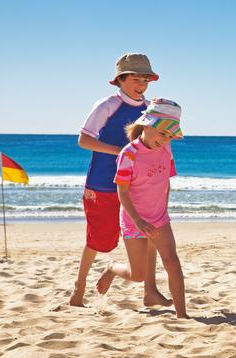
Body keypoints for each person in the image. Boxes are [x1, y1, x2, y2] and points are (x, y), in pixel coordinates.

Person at [70, 53, 171, 308]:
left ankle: (150, 292)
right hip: (102, 183)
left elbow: (156, 140)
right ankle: (78, 291)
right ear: (121, 80)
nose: (141, 84)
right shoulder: (107, 105)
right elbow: (84, 140)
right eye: (136, 79)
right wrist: (122, 152)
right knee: (98, 241)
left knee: (146, 235)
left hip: (136, 186)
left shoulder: (149, 109)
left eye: (145, 79)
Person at [96, 98, 188, 319]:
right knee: (138, 274)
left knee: (172, 261)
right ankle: (111, 269)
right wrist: (138, 221)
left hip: (159, 218)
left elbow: (165, 183)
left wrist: (162, 211)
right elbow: (123, 192)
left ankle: (182, 314)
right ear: (147, 125)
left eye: (169, 135)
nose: (165, 139)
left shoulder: (166, 150)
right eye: (161, 133)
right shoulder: (129, 154)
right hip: (133, 220)